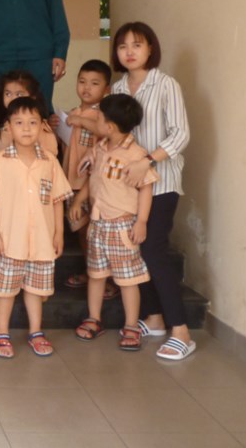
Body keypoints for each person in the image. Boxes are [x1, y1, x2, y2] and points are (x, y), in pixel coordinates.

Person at [103, 21, 192, 360]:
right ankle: (153, 318)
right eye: (123, 45)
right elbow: (110, 133)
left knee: (153, 249)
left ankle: (181, 331)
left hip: (162, 182)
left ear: (150, 49)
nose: (129, 51)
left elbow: (180, 134)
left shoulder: (166, 85)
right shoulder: (116, 89)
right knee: (135, 252)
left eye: (137, 45)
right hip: (125, 189)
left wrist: (148, 160)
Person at [0, 97, 72, 358]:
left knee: (35, 289)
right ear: (8, 127)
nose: (26, 128)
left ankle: (36, 331)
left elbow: (57, 200)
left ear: (42, 126)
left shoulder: (50, 162)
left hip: (42, 240)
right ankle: (1, 334)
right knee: (5, 290)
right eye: (19, 123)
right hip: (9, 240)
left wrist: (59, 233)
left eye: (32, 123)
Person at [73, 93, 156, 352]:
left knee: (128, 279)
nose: (95, 122)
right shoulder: (99, 148)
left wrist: (142, 221)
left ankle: (131, 325)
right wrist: (78, 201)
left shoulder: (136, 154)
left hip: (122, 225)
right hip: (98, 223)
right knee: (96, 275)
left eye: (98, 118)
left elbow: (146, 188)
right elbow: (92, 180)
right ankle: (94, 318)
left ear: (109, 126)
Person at [62, 60, 113, 293]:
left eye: (94, 83)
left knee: (97, 234)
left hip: (93, 185)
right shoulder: (74, 112)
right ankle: (90, 272)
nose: (86, 87)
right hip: (72, 182)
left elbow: (104, 132)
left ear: (106, 89)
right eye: (82, 81)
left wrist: (82, 121)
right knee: (83, 232)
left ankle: (106, 280)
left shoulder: (103, 115)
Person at [0, 70, 59, 157]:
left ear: (32, 97)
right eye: (8, 94)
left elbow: (51, 155)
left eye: (19, 94)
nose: (12, 99)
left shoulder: (39, 125)